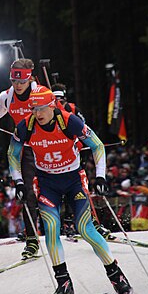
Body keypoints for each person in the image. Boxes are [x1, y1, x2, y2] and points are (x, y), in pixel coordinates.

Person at [7, 85, 131, 294]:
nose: (37, 113)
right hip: (47, 183)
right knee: (52, 227)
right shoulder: (26, 125)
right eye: (33, 108)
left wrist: (100, 176)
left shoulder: (68, 121)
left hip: (74, 180)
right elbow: (12, 153)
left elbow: (98, 145)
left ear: (52, 105)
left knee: (85, 229)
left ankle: (116, 275)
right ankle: (64, 283)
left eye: (41, 108)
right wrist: (18, 181)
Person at [0, 58, 39, 259]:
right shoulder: (7, 96)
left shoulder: (39, 94)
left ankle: (79, 223)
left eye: (22, 82)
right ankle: (32, 240)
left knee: (62, 185)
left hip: (46, 146)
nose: (17, 86)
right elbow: (0, 111)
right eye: (14, 81)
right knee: (27, 193)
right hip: (25, 149)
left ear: (30, 79)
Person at [52, 83, 111, 239]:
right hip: (56, 157)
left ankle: (88, 222)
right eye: (56, 99)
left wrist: (86, 144)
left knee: (80, 189)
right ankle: (67, 223)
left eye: (61, 99)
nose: (59, 102)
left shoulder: (72, 110)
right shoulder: (47, 111)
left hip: (75, 154)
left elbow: (84, 128)